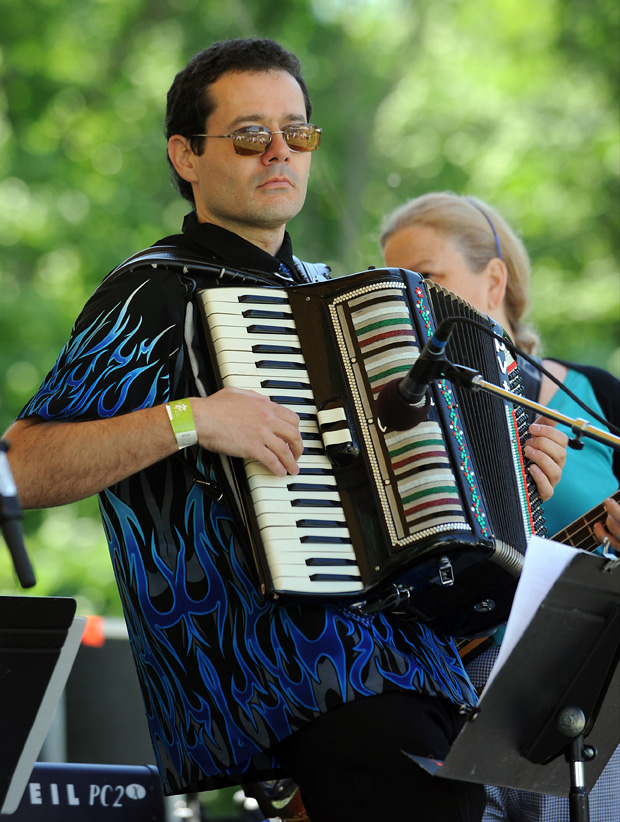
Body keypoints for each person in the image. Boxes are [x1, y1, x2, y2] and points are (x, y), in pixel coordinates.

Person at [2, 42, 567, 822]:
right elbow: (19, 468)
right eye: (249, 135)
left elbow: (419, 509)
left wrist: (516, 487)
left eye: (297, 133)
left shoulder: (335, 298)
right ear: (186, 156)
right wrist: (192, 419)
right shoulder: (152, 294)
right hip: (287, 675)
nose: (279, 152)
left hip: (414, 663)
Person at [380, 191, 620, 822]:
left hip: (586, 665)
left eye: (425, 278)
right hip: (462, 670)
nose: (406, 297)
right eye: (393, 283)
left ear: (493, 282)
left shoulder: (597, 393)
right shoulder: (408, 412)